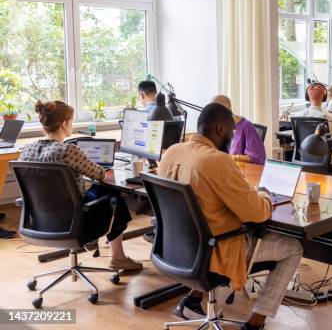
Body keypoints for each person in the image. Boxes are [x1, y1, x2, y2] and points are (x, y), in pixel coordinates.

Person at [158, 103, 303, 329]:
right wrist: (263, 197)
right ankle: (255, 322)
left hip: (179, 249)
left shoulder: (171, 152)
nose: (232, 138)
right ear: (219, 128)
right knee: (294, 248)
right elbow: (257, 213)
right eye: (231, 132)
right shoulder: (217, 161)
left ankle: (193, 297)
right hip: (217, 252)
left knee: (210, 227)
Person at [19, 101, 142, 270]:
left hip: (41, 220)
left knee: (100, 190)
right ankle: (117, 257)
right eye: (71, 121)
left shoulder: (27, 150)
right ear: (64, 124)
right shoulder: (68, 150)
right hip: (74, 220)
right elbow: (101, 175)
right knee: (112, 194)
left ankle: (101, 246)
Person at [211, 95, 266, 165]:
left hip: (240, 171)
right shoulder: (221, 127)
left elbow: (258, 158)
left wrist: (231, 157)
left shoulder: (246, 127)